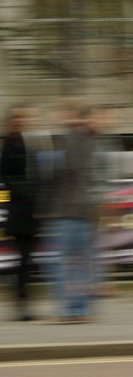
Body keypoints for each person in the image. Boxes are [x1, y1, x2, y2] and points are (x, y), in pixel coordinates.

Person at [48, 102, 103, 323]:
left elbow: (61, 171)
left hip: (70, 210)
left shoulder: (73, 139)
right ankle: (80, 308)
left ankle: (70, 310)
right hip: (86, 210)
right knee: (81, 263)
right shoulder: (91, 142)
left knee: (63, 262)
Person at [0, 105, 41, 321]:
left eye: (22, 117)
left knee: (26, 260)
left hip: (30, 211)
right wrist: (7, 206)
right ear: (10, 121)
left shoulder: (29, 144)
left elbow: (36, 176)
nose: (19, 121)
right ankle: (21, 303)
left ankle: (22, 301)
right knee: (23, 259)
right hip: (17, 211)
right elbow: (4, 184)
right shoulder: (7, 146)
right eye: (16, 118)